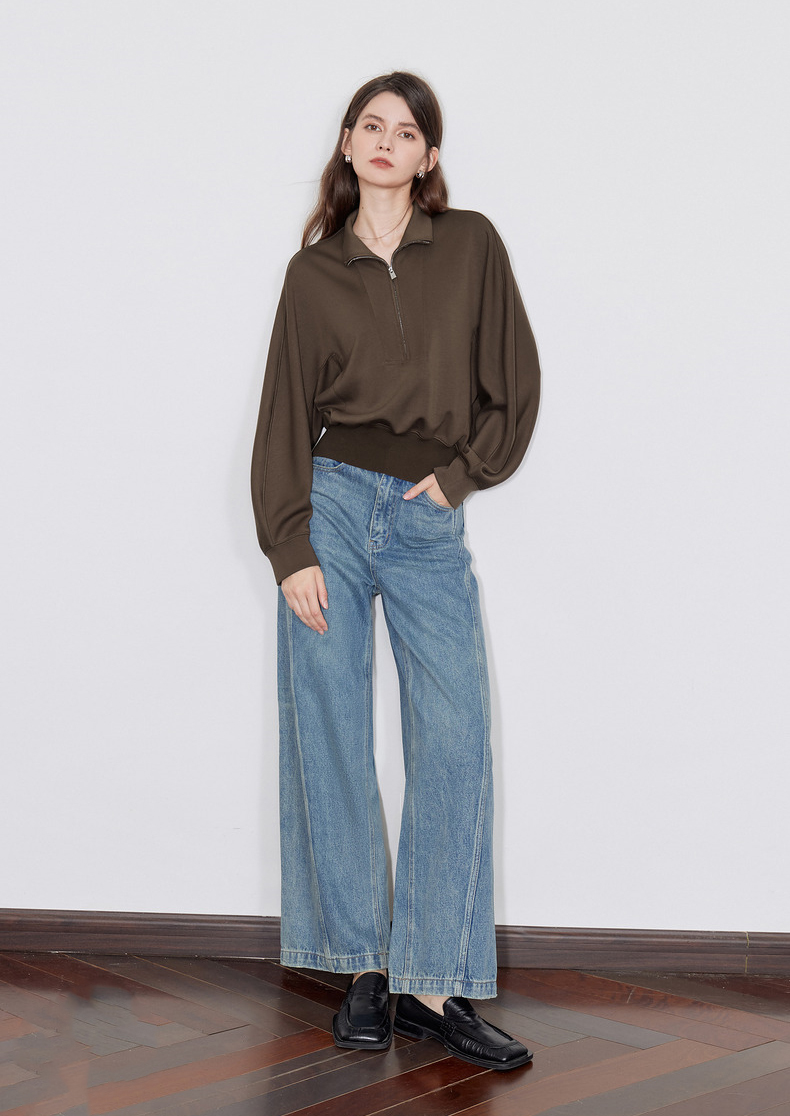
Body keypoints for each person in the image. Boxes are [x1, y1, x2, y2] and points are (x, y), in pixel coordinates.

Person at [251, 71, 541, 1072]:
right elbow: (283, 415)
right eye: (370, 125)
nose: (386, 140)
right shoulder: (312, 275)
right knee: (328, 726)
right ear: (347, 144)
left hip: (424, 514)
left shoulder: (470, 246)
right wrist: (289, 545)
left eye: (406, 130)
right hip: (329, 503)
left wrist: (460, 477)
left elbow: (514, 381)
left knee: (454, 735)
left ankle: (430, 981)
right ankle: (361, 969)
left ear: (428, 157)